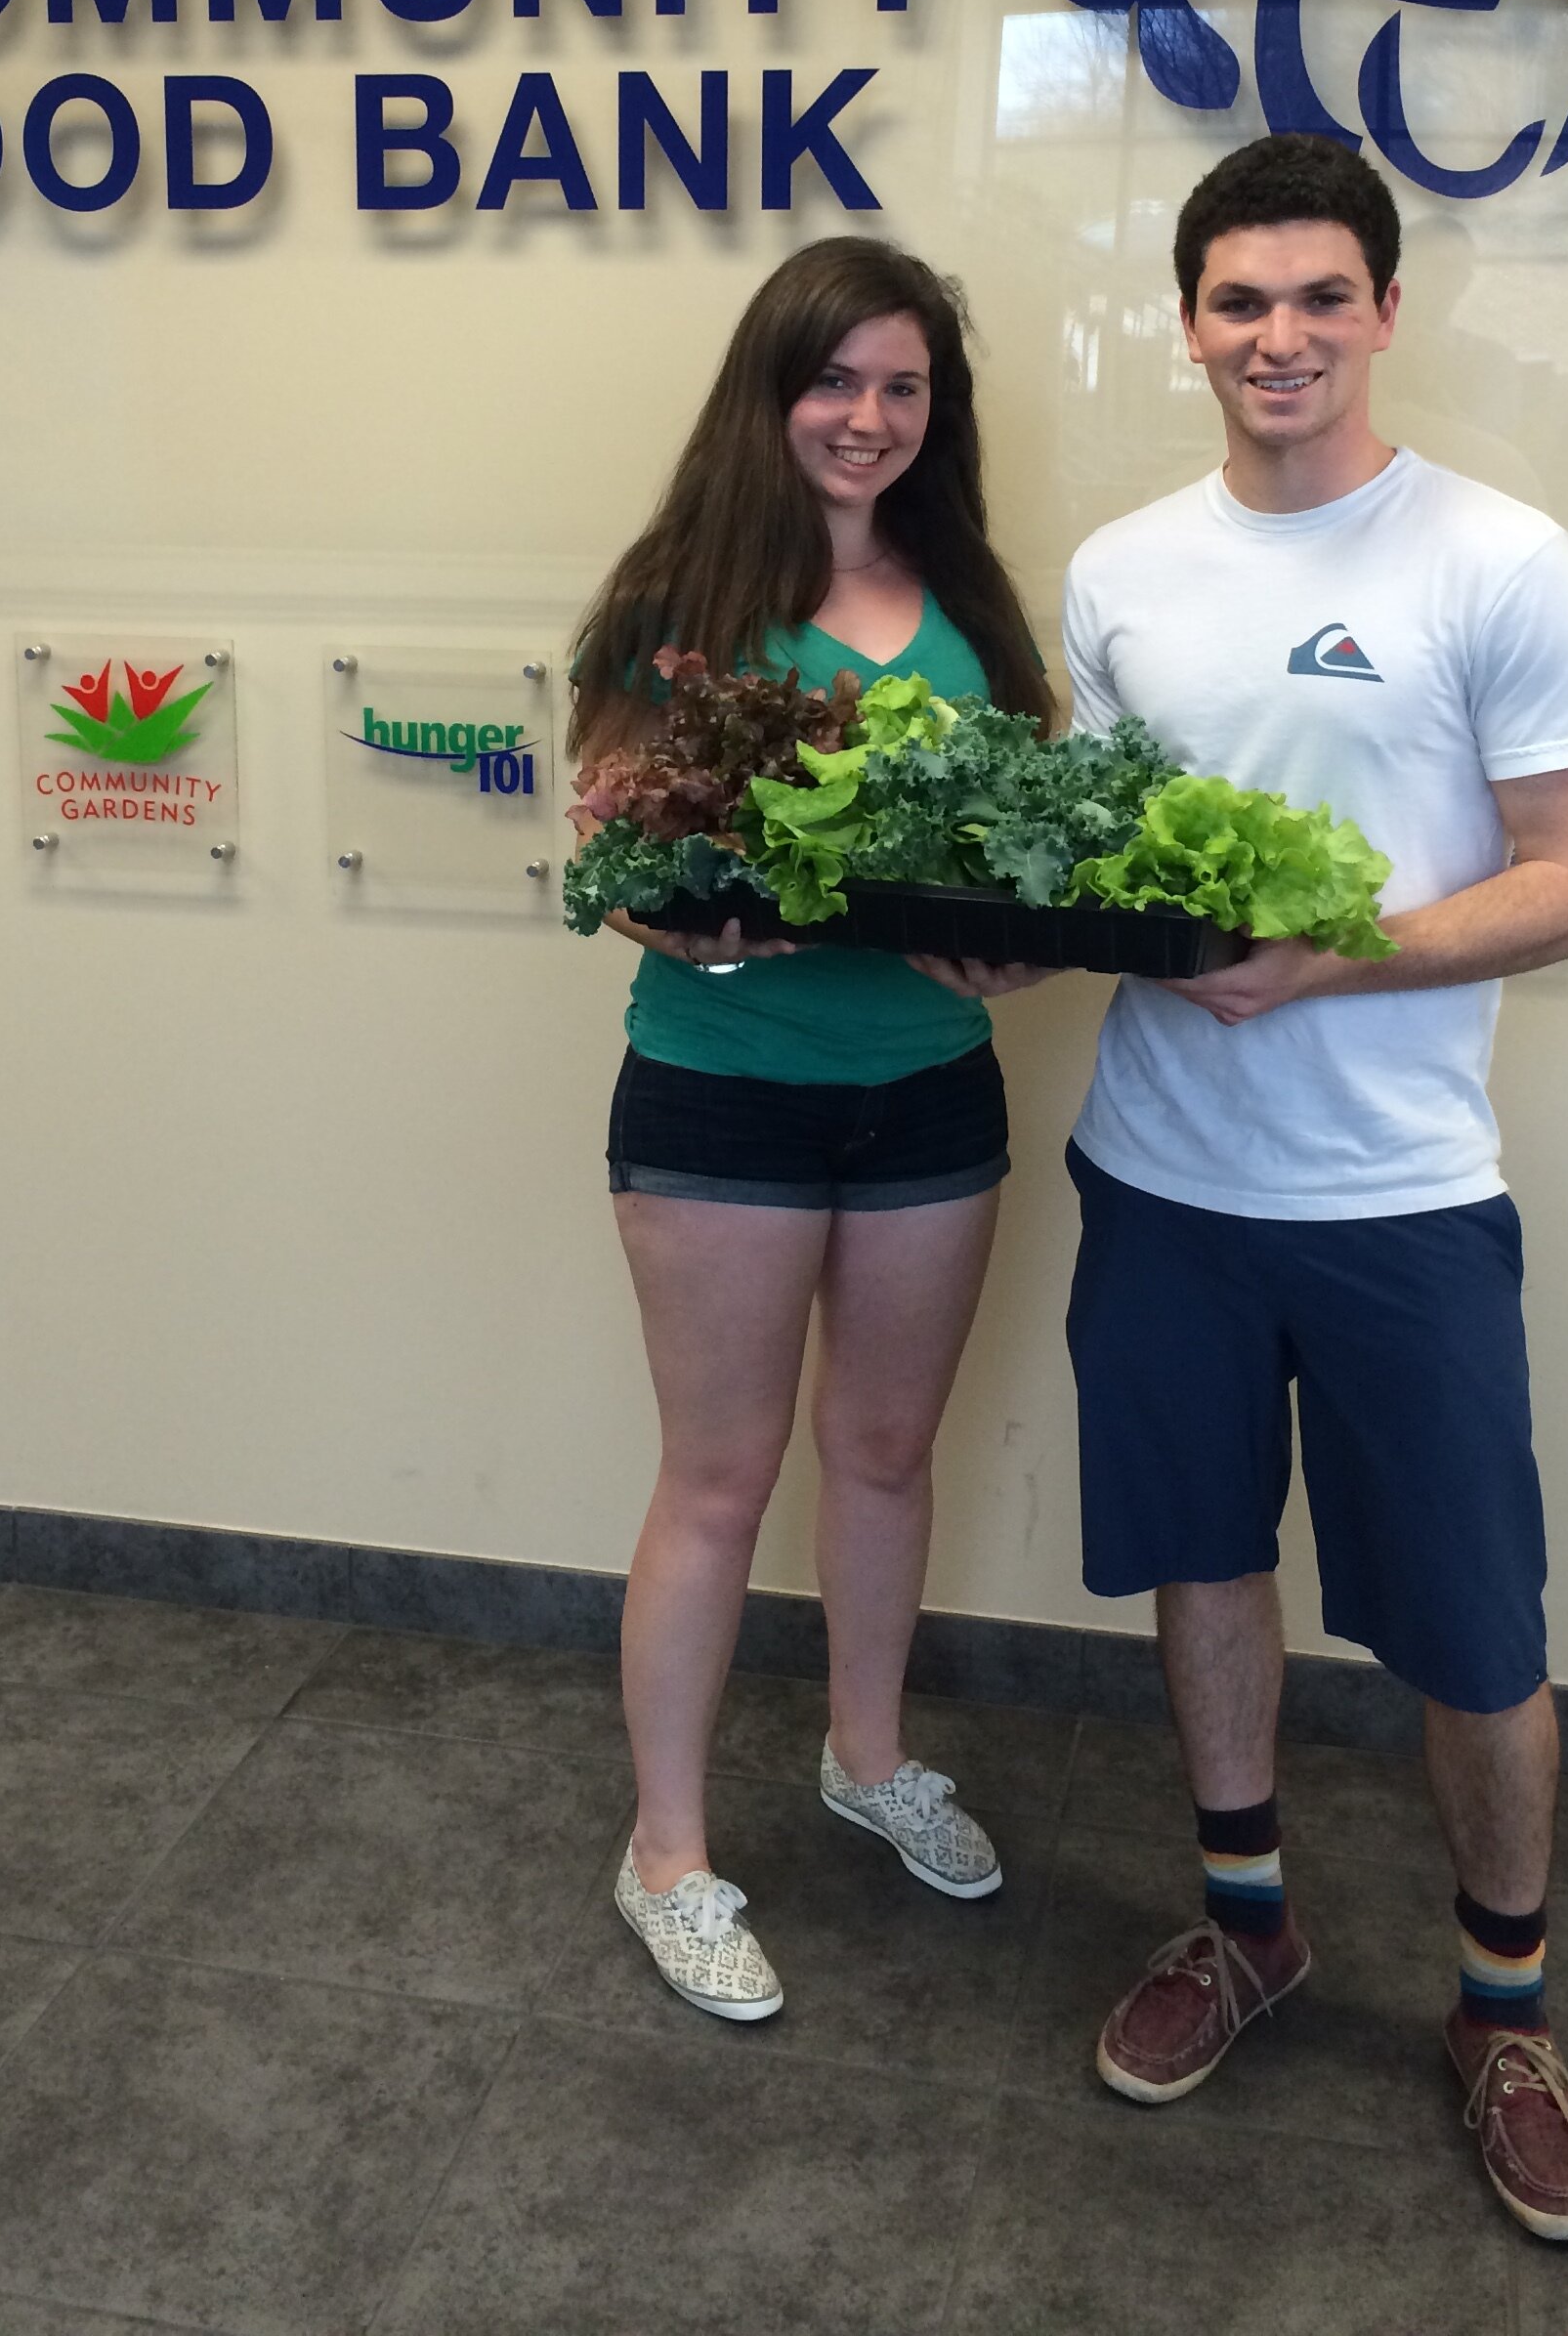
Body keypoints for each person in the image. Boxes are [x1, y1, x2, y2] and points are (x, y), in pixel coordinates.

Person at [1059, 131, 1568, 2242]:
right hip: (1163, 1183)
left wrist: (1337, 954)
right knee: (1204, 1563)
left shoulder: (1499, 559)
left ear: (1386, 311)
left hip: (1400, 1198)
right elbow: (1111, 864)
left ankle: (1505, 2008)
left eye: (1318, 298)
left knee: (1472, 1630)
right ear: (1188, 320)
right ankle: (1249, 1925)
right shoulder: (1122, 570)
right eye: (1237, 301)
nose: (1275, 338)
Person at [570, 236, 1054, 2025]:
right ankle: (670, 1853)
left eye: (904, 386)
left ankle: (869, 1757)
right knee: (716, 1477)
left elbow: (1023, 846)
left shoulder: (975, 600)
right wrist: (671, 913)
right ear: (771, 393)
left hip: (929, 1086)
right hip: (721, 1090)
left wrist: (1013, 958)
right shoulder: (673, 593)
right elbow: (611, 848)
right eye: (836, 380)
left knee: (885, 1452)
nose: (869, 417)